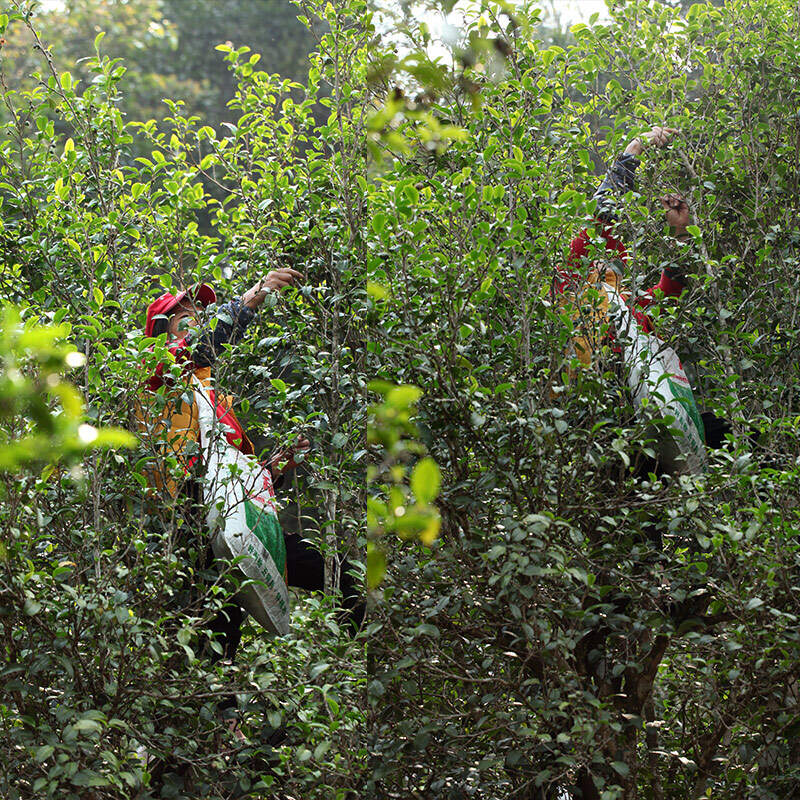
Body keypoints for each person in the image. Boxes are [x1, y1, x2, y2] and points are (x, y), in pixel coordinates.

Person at [139, 271, 364, 720]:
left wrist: (278, 464)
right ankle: (213, 737)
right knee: (215, 639)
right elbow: (197, 352)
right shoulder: (158, 376)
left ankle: (350, 682)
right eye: (185, 320)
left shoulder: (210, 397)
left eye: (199, 316)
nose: (197, 323)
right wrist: (251, 298)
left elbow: (238, 477)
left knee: (340, 577)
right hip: (191, 527)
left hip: (233, 524)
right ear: (162, 336)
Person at [555, 124, 732, 469]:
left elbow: (668, 293)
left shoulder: (627, 313)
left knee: (718, 429)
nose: (617, 267)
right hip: (587, 424)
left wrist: (682, 232)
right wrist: (636, 149)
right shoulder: (572, 289)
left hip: (634, 431)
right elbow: (603, 213)